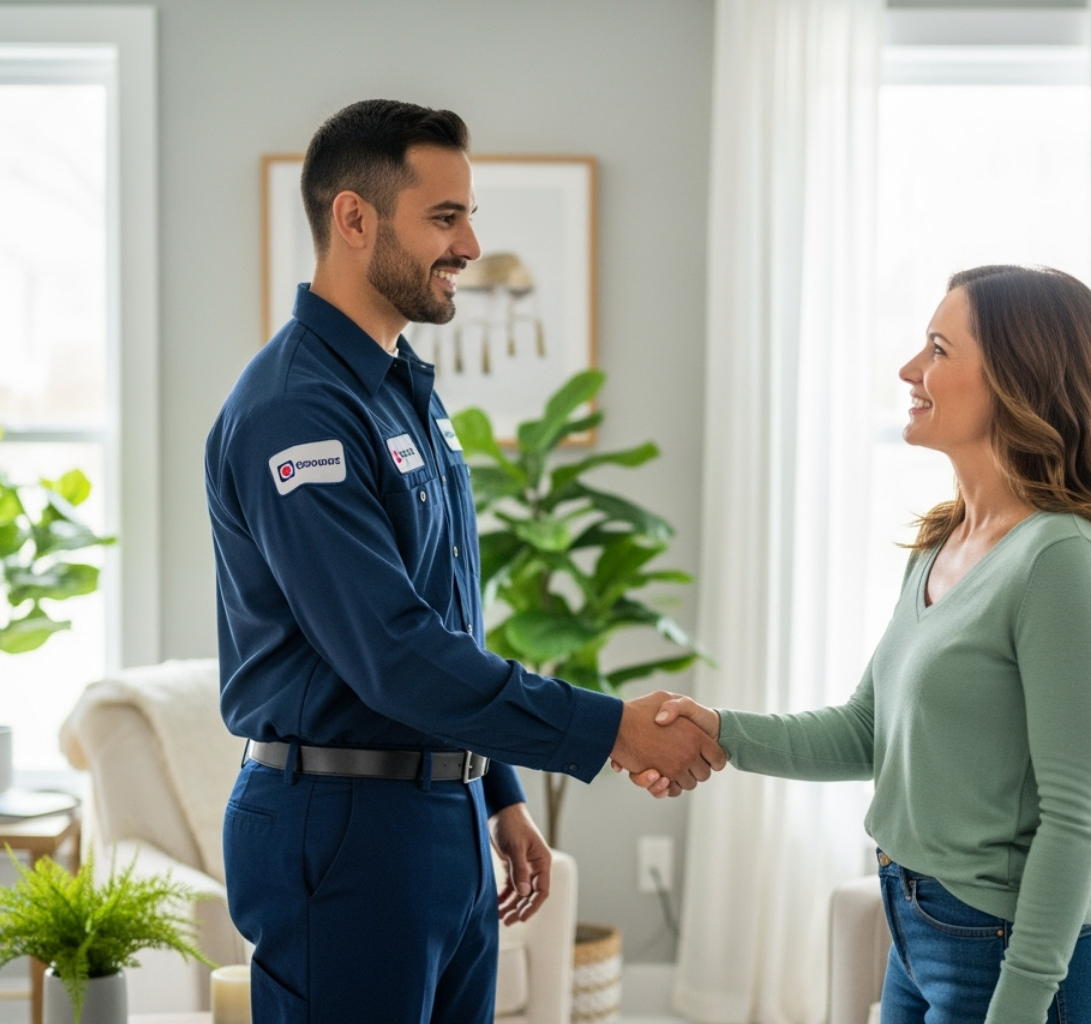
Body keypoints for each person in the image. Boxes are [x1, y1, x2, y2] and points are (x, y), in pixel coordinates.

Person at [204, 99, 725, 1023]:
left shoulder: (404, 391)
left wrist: (497, 791)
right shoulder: (299, 413)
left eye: (470, 215)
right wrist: (611, 729)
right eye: (446, 217)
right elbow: (392, 650)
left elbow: (446, 618)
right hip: (341, 828)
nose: (472, 245)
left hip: (440, 819)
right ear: (354, 220)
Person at [627, 266, 1091, 1024]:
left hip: (1004, 951)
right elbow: (867, 731)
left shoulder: (1059, 560)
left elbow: (1077, 817)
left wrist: (1023, 1003)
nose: (910, 369)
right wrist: (721, 731)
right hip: (915, 924)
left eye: (938, 348)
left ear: (1016, 379)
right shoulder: (942, 541)